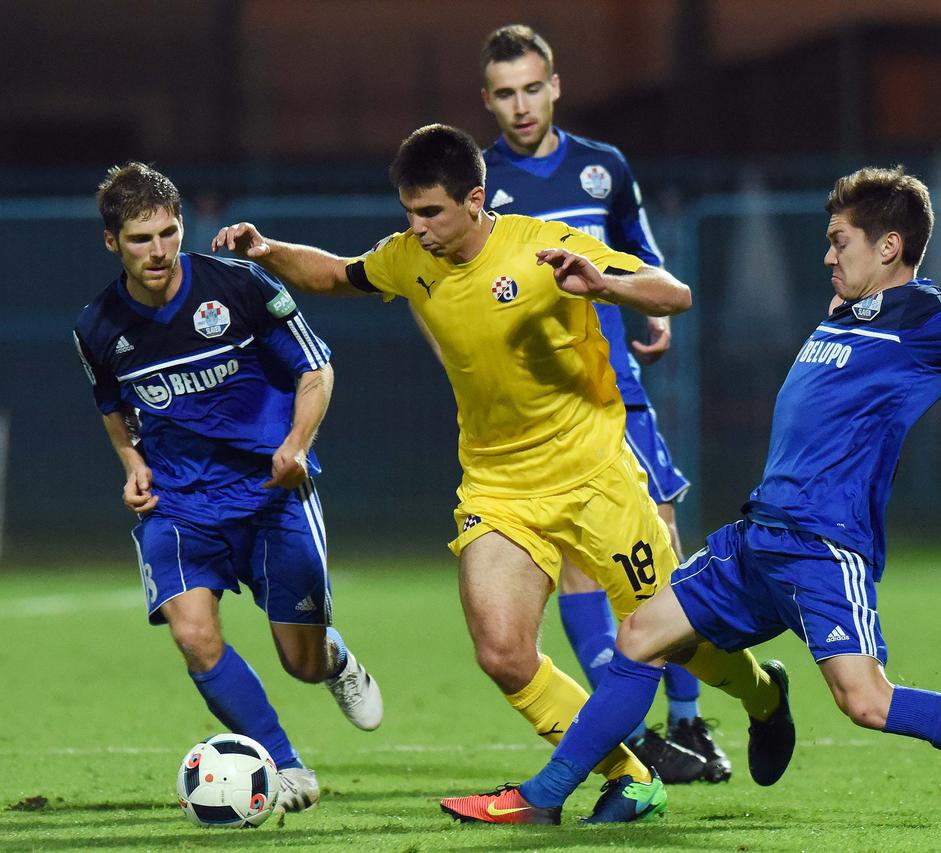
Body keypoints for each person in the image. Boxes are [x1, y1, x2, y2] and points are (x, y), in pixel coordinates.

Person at [442, 165, 941, 825]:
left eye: (839, 241)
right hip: (757, 537)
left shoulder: (927, 320)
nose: (827, 255)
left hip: (823, 550)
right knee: (643, 634)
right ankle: (546, 795)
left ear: (889, 247)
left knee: (867, 701)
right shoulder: (851, 311)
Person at [211, 124, 792, 824]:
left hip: (595, 474)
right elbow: (338, 273)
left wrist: (605, 283)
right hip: (498, 487)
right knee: (503, 651)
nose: (416, 227)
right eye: (409, 212)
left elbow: (675, 293)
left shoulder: (542, 246)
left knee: (676, 639)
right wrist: (268, 253)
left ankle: (763, 694)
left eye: (431, 212)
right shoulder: (408, 258)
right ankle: (632, 776)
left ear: (475, 199)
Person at [448, 23, 721, 785]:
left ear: (555, 85)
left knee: (661, 544)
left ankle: (689, 720)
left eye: (532, 87)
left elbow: (642, 256)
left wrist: (653, 309)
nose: (521, 105)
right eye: (504, 93)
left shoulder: (605, 169)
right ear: (487, 100)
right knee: (577, 565)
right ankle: (627, 726)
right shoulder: (478, 186)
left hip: (613, 390)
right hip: (537, 414)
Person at [73, 162, 383, 815]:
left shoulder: (237, 286)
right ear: (112, 242)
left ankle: (334, 659)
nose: (158, 251)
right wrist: (131, 463)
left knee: (299, 660)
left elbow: (316, 369)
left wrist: (295, 445)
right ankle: (285, 765)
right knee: (193, 634)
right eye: (140, 239)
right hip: (180, 501)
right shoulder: (97, 326)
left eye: (167, 233)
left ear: (181, 226)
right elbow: (114, 408)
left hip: (270, 491)